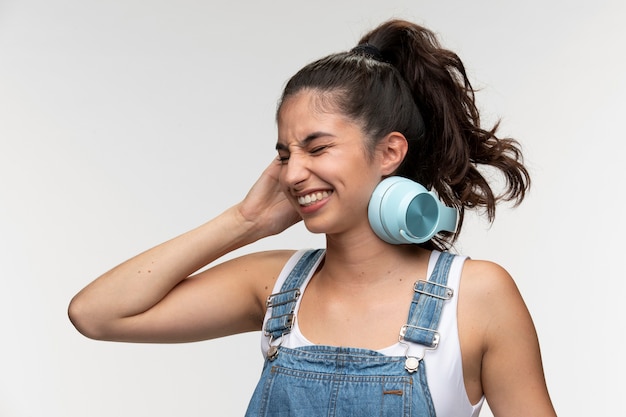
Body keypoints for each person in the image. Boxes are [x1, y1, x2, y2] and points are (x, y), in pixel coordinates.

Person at [68, 18, 557, 417]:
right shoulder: (276, 285)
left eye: (317, 147)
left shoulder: (475, 297)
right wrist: (245, 221)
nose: (294, 172)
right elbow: (96, 313)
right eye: (285, 154)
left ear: (389, 151)